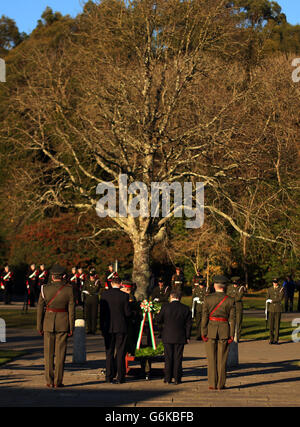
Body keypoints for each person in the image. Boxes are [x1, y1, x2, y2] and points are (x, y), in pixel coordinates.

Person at [37, 264, 75, 388]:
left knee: (48, 354)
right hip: (63, 323)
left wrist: (39, 326)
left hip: (47, 323)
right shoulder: (69, 289)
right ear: (63, 276)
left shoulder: (44, 288)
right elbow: (71, 310)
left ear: (52, 276)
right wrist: (71, 327)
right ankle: (58, 381)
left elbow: (40, 309)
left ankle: (49, 380)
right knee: (60, 354)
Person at [201, 275, 236, 390]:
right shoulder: (230, 300)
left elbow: (204, 317)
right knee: (222, 359)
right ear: (224, 287)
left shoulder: (208, 298)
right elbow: (232, 319)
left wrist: (203, 332)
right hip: (224, 330)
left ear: (215, 285)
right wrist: (231, 334)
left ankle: (212, 383)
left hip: (211, 329)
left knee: (211, 358)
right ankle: (221, 384)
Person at [156, 290, 192, 385]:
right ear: (180, 298)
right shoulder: (185, 308)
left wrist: (158, 314)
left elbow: (158, 320)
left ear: (171, 297)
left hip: (168, 335)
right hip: (180, 336)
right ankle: (177, 378)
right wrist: (187, 336)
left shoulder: (165, 307)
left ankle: (167, 378)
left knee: (168, 358)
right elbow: (189, 324)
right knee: (178, 358)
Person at [100, 276, 131, 384]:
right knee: (121, 352)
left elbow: (102, 314)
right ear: (121, 283)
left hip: (108, 327)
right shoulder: (124, 296)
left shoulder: (104, 295)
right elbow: (127, 313)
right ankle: (120, 376)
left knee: (109, 353)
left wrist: (101, 328)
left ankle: (109, 376)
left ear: (111, 283)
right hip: (121, 327)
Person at [226, 276, 247, 342]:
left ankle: (237, 337)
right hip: (231, 306)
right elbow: (227, 295)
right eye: (234, 283)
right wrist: (234, 296)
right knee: (230, 322)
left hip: (238, 307)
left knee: (238, 322)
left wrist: (231, 297)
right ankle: (230, 336)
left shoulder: (241, 288)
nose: (235, 284)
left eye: (236, 283)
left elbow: (239, 298)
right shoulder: (229, 287)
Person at [82, 269, 101, 334]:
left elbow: (95, 290)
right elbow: (83, 289)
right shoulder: (86, 282)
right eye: (90, 275)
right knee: (88, 315)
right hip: (87, 300)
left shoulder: (97, 281)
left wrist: (89, 292)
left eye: (92, 275)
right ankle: (89, 329)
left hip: (94, 300)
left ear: (95, 275)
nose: (91, 277)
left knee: (94, 315)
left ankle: (93, 330)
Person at [266, 278, 284, 344]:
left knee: (277, 325)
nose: (275, 283)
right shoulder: (269, 289)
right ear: (272, 282)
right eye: (274, 282)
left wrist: (272, 300)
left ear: (278, 282)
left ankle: (276, 340)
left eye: (276, 282)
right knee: (271, 325)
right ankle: (271, 339)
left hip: (278, 309)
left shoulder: (281, 289)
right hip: (271, 309)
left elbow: (280, 298)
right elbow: (267, 298)